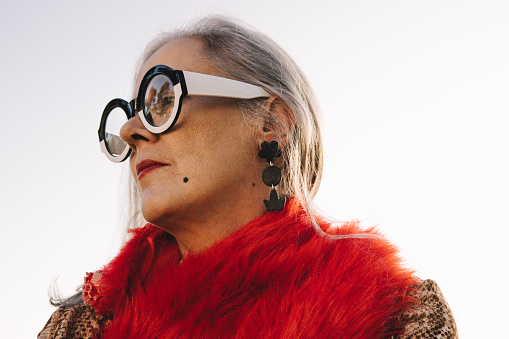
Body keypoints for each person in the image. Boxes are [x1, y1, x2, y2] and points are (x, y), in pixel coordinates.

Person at [39, 15, 458, 338]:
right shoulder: (83, 324)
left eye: (162, 98)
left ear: (271, 122)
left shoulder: (395, 316)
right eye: (129, 114)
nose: (132, 131)